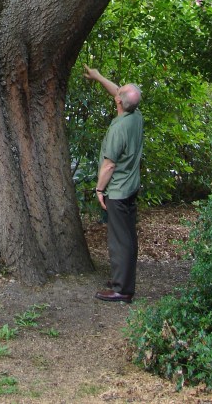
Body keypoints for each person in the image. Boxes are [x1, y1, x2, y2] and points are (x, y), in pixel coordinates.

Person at [83, 65, 143, 303]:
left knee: (120, 240)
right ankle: (123, 279)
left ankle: (122, 289)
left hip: (117, 191)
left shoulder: (119, 128)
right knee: (127, 236)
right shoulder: (135, 115)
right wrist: (98, 77)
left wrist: (99, 189)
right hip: (131, 187)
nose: (116, 92)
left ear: (119, 102)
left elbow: (109, 165)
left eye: (119, 93)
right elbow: (119, 92)